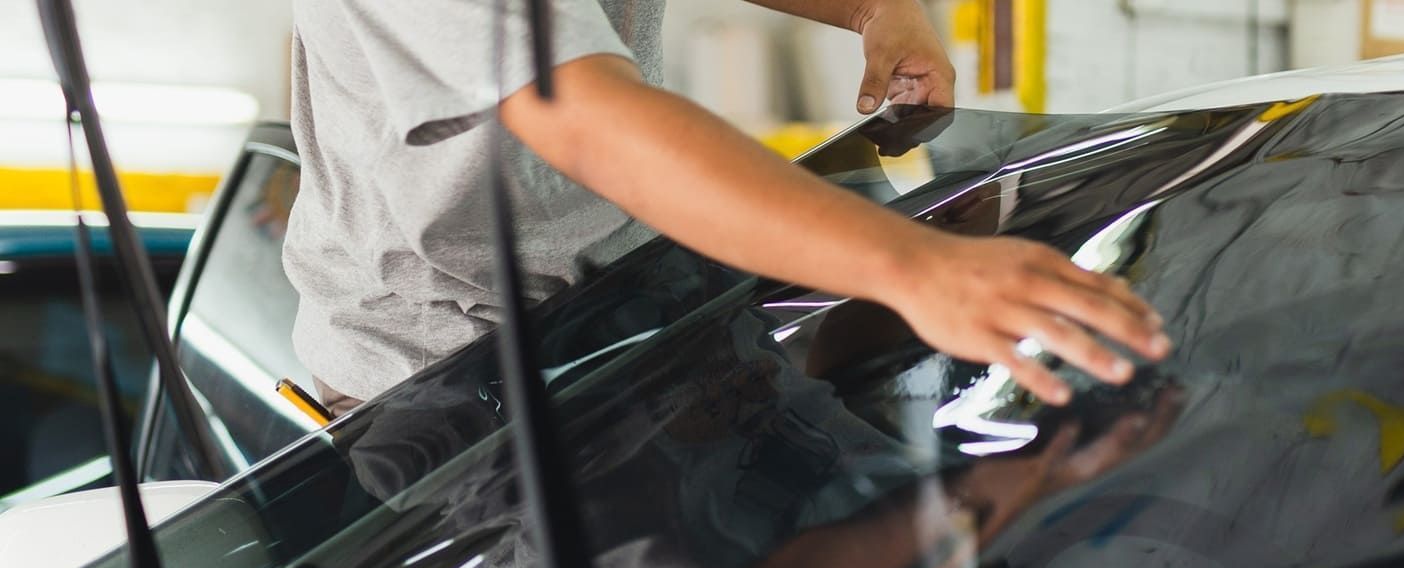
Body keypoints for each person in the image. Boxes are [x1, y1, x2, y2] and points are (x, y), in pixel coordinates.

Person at [282, 0, 1171, 416]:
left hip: (630, 309)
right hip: (457, 379)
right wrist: (914, 265)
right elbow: (592, 121)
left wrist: (872, 8)